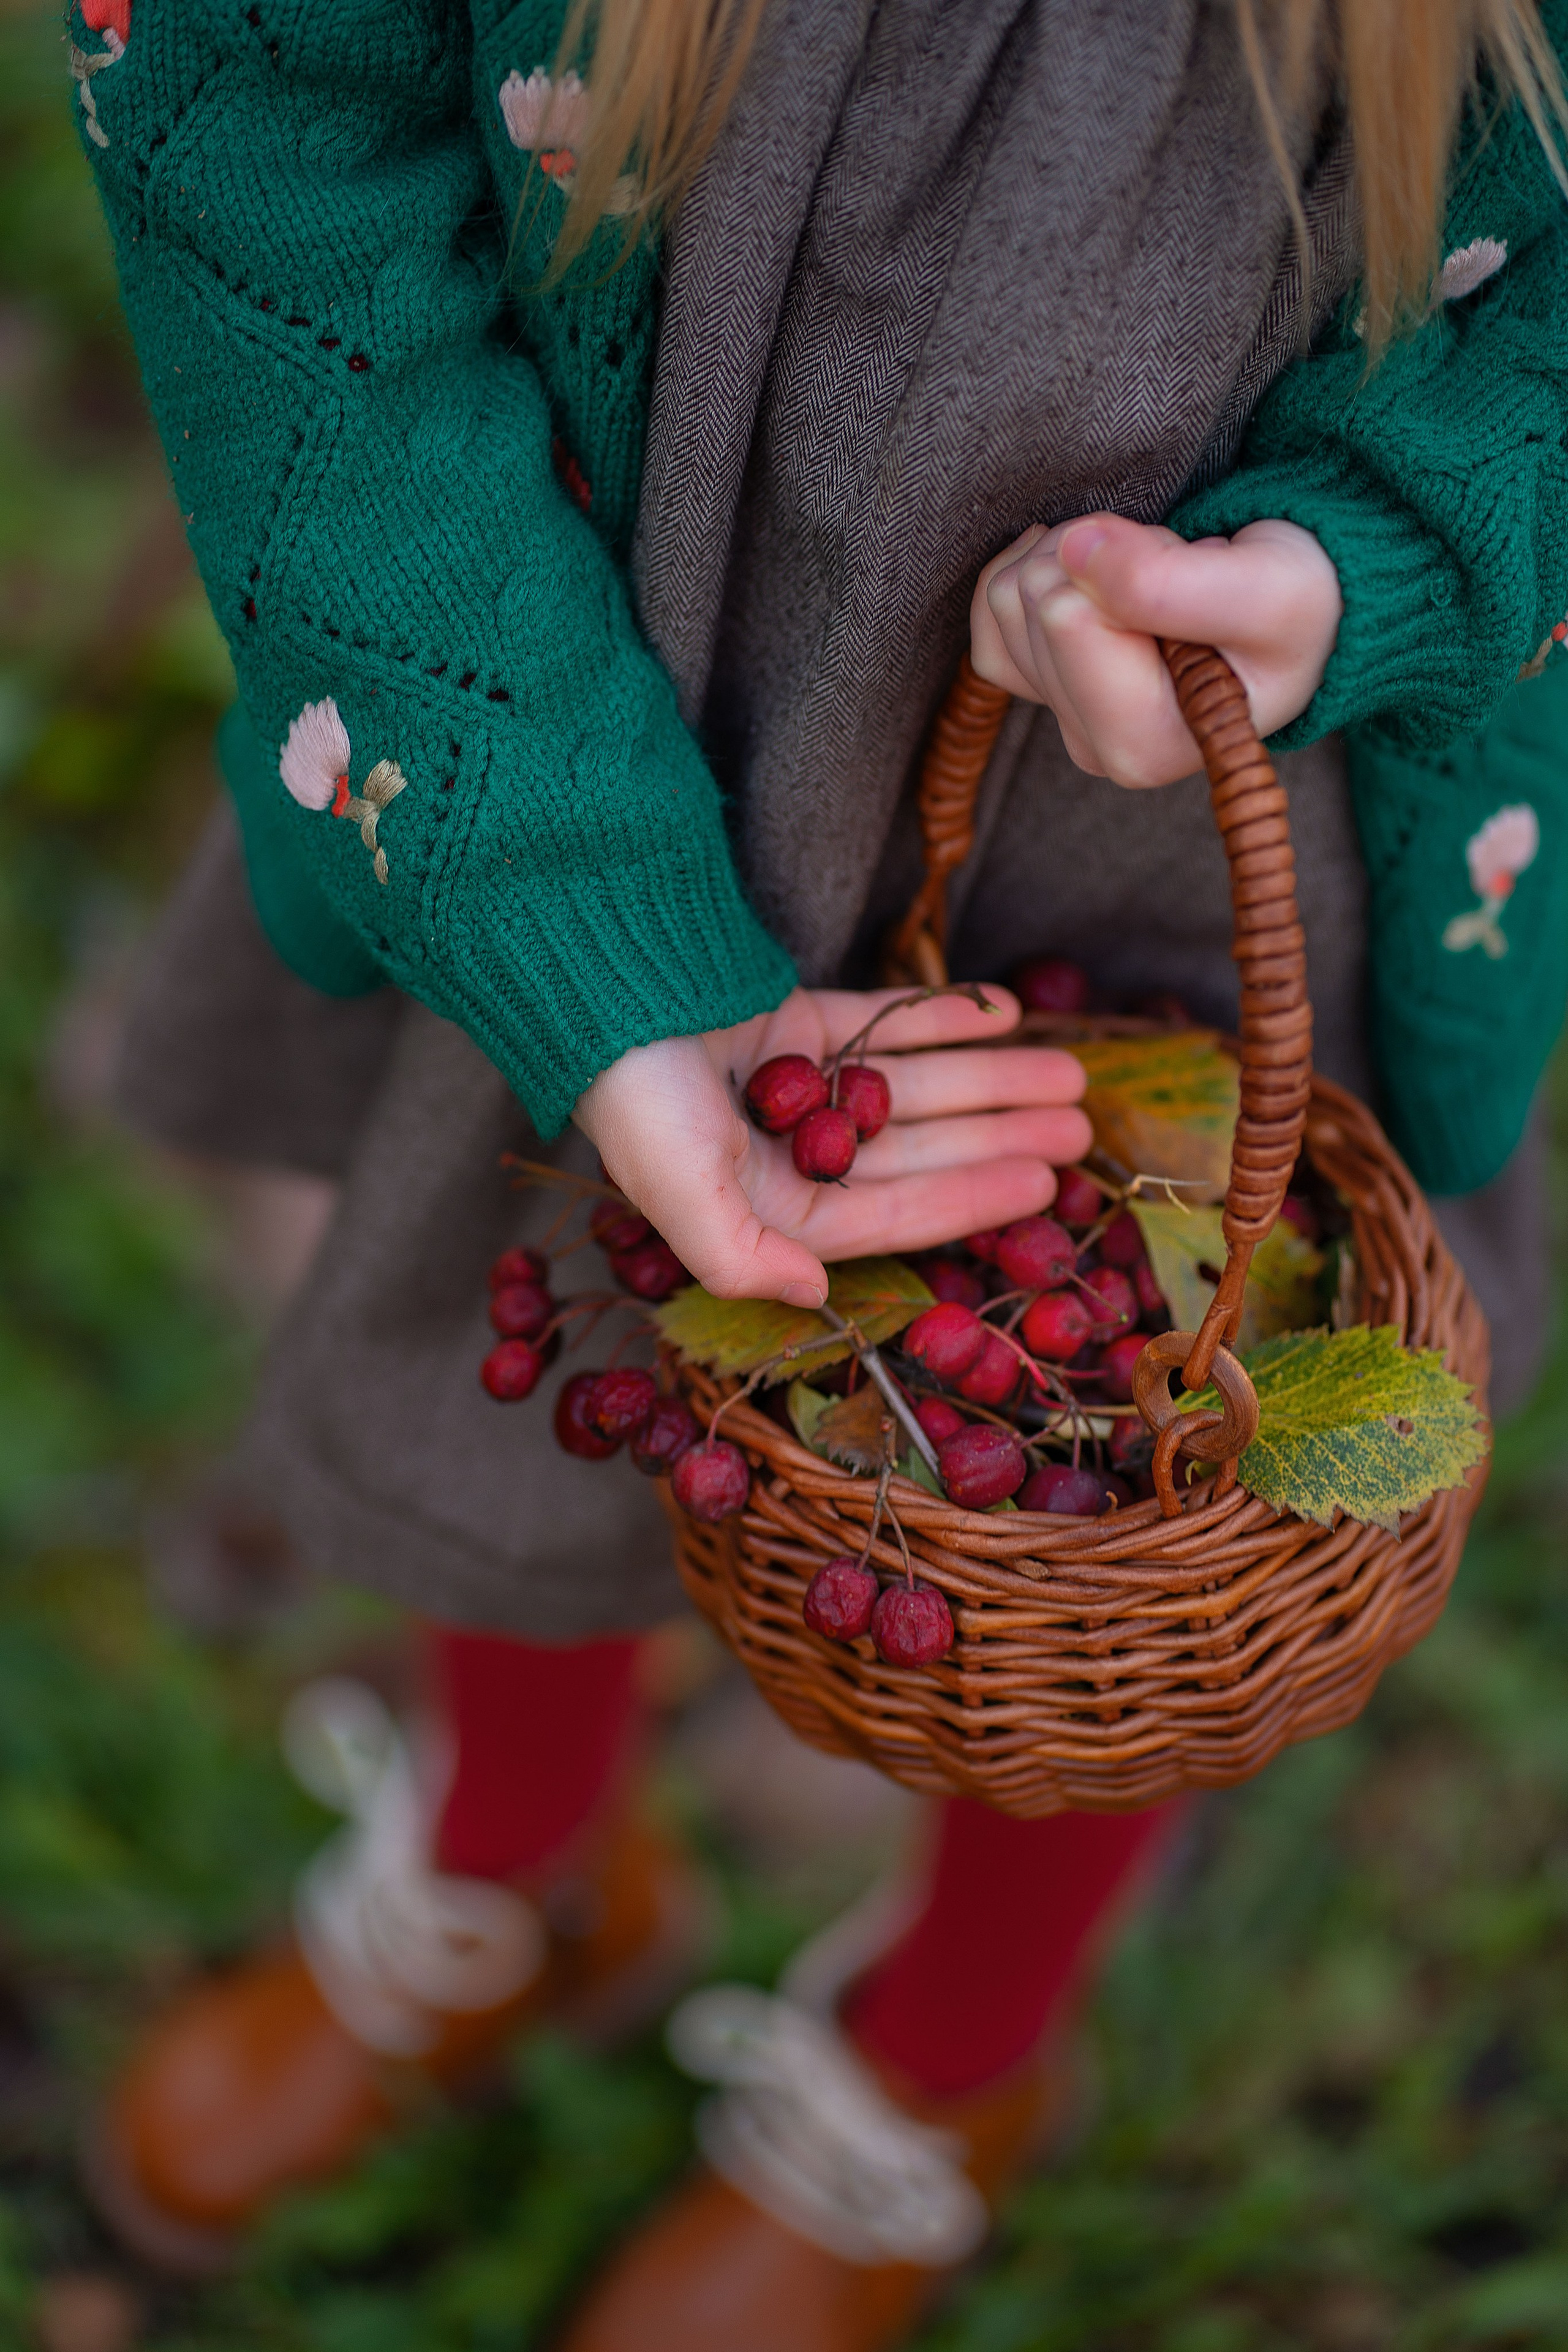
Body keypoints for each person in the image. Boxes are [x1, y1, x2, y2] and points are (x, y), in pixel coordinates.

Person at [70, 0, 1568, 2340]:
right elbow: (258, 112)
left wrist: (1391, 558)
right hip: (600, 663)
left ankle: (950, 2061)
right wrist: (558, 884)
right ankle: (518, 1866)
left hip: (1219, 749)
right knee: (559, 1246)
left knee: (1143, 1488)